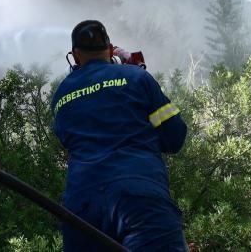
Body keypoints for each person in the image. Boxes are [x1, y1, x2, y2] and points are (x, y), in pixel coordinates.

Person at [52, 20, 188, 252]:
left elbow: (68, 139)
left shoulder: (61, 95)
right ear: (111, 48)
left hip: (82, 209)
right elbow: (174, 137)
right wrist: (136, 70)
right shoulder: (136, 77)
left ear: (74, 56)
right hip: (139, 198)